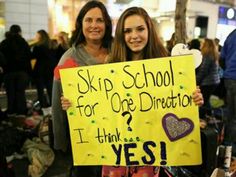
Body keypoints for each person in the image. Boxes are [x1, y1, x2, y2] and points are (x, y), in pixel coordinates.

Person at [61, 6, 203, 177]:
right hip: (116, 155)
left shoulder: (166, 66)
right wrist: (74, 103)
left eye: (140, 29)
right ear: (122, 35)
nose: (134, 36)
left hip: (150, 156)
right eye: (128, 31)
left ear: (149, 30)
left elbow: (173, 107)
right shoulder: (110, 65)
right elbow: (98, 110)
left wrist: (192, 99)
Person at [51, 1, 113, 177]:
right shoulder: (69, 59)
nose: (94, 25)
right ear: (81, 24)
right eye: (89, 20)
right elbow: (56, 104)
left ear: (106, 24)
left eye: (99, 20)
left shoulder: (118, 52)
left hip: (119, 135)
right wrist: (61, 142)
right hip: (85, 140)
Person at [0, 24, 32, 117]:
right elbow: (29, 56)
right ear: (19, 32)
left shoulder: (4, 42)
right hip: (22, 72)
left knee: (10, 93)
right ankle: (21, 111)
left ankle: (11, 111)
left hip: (9, 72)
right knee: (20, 92)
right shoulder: (23, 42)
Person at [32, 29, 56, 108]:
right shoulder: (51, 45)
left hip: (40, 70)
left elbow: (32, 56)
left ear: (40, 36)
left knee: (40, 90)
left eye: (37, 35)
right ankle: (53, 106)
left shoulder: (38, 46)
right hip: (50, 70)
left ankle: (43, 107)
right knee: (50, 90)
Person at [220, 29, 236, 149]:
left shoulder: (231, 35)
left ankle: (227, 146)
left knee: (230, 113)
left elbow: (222, 58)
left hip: (229, 78)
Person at [196, 38, 220, 119]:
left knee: (202, 102)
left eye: (202, 43)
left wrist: (195, 81)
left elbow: (203, 71)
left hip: (208, 82)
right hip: (214, 81)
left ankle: (201, 118)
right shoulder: (213, 54)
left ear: (206, 45)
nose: (200, 45)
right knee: (206, 99)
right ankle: (210, 115)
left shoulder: (206, 56)